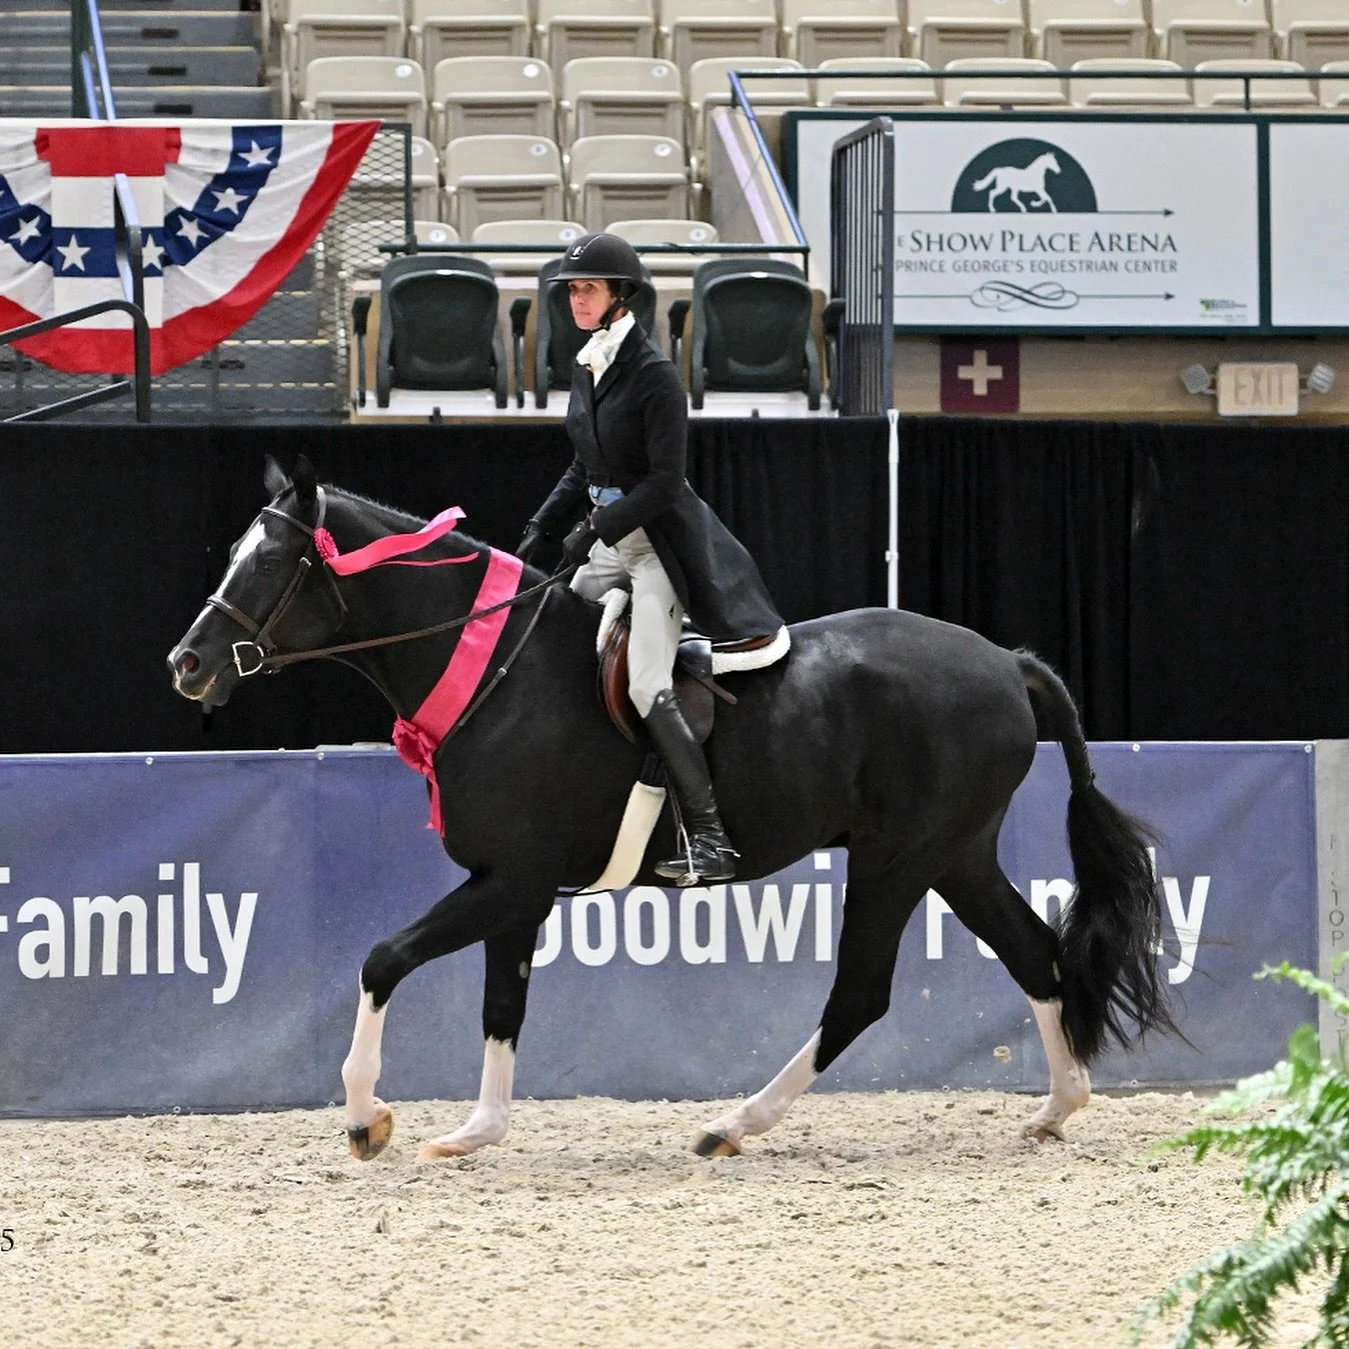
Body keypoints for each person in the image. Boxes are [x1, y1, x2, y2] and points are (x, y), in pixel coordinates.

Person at [517, 231, 785, 885]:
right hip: (610, 541)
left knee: (645, 684)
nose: (576, 300)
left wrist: (596, 527)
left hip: (657, 547)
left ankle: (711, 839)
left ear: (621, 295)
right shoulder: (589, 363)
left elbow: (665, 483)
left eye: (587, 289)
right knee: (545, 633)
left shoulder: (654, 375)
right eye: (571, 290)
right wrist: (541, 526)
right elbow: (583, 463)